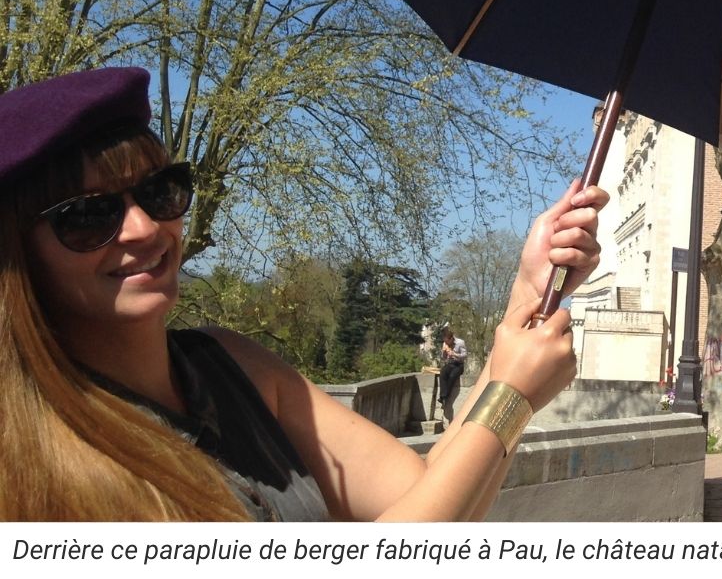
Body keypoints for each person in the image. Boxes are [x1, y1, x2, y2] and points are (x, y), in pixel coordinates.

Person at [0, 67, 607, 521]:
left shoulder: (230, 364)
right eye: (87, 215)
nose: (143, 229)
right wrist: (510, 402)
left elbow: (424, 491)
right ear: (20, 255)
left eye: (159, 193)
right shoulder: (45, 461)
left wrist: (525, 298)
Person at [439, 326, 467, 423]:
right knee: (442, 373)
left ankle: (444, 396)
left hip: (458, 365)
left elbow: (464, 355)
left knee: (452, 376)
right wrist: (443, 352)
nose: (447, 343)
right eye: (445, 341)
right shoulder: (445, 344)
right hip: (449, 364)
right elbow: (443, 358)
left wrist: (454, 354)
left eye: (448, 341)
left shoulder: (460, 343)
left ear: (451, 339)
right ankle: (443, 395)